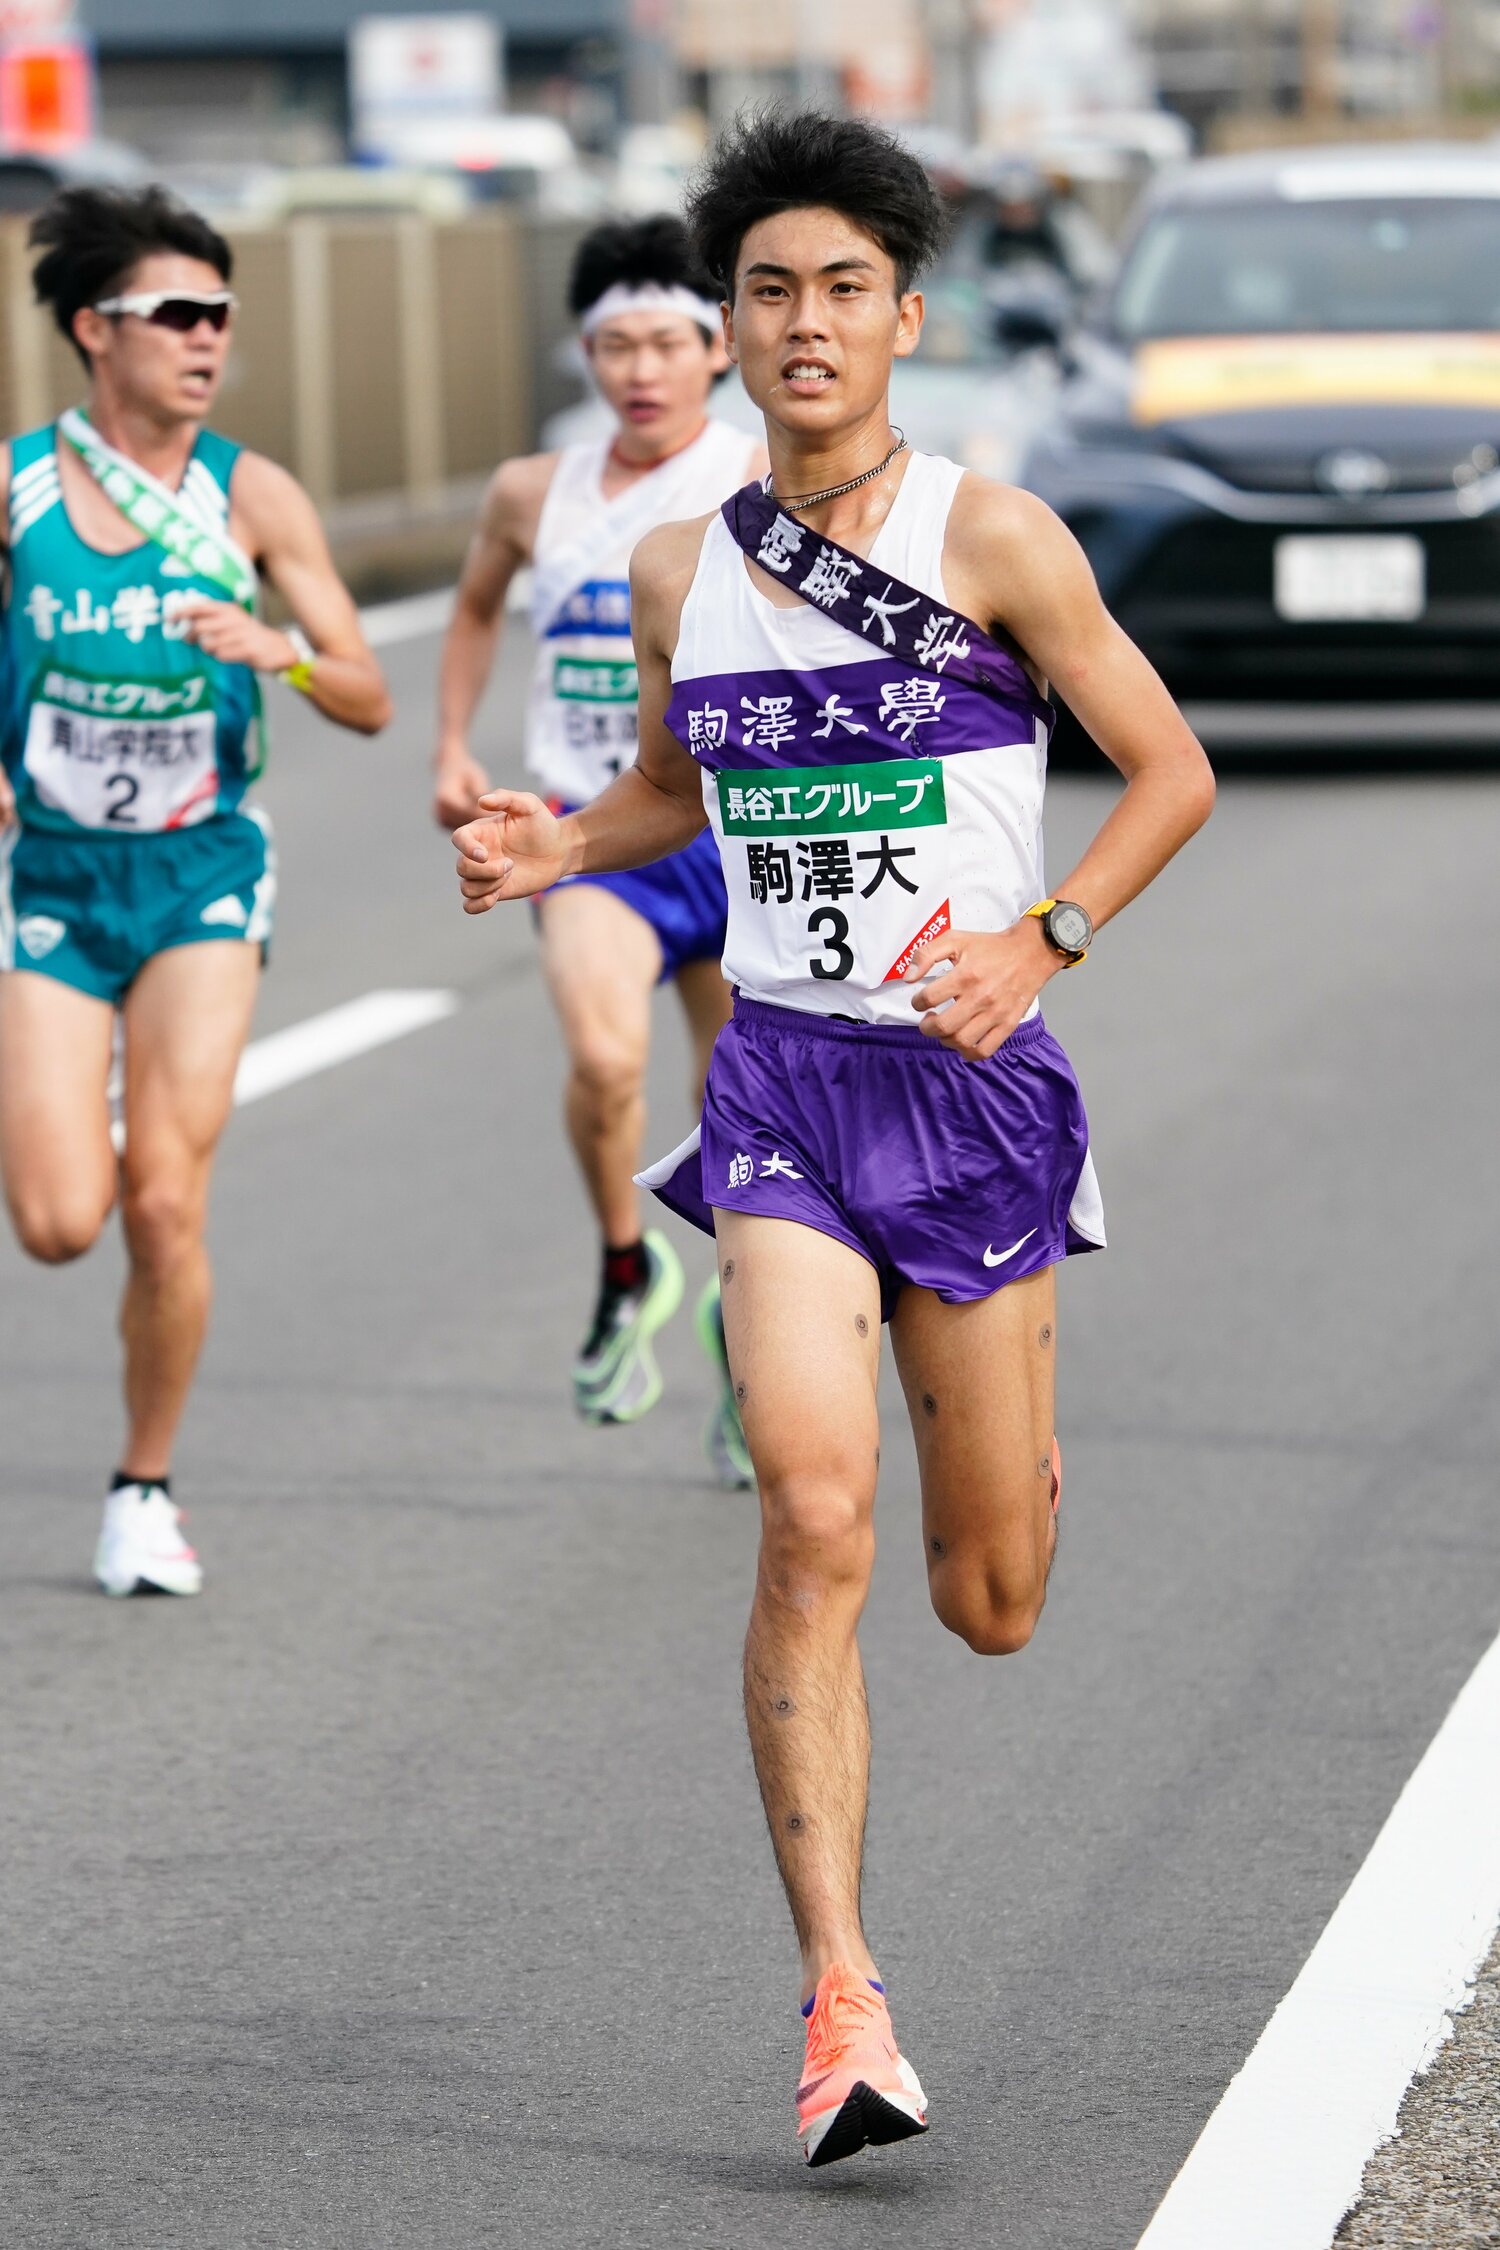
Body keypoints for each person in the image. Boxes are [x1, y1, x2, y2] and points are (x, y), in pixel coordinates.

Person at [453, 111, 1214, 2163]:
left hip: (967, 1095)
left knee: (988, 1599)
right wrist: (553, 845)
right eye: (768, 291)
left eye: (842, 291)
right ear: (730, 322)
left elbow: (1168, 769)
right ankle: (845, 2001)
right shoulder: (683, 562)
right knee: (810, 1514)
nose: (802, 324)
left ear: (904, 316)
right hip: (783, 1084)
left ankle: (1019, 1444)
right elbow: (664, 801)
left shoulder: (996, 540)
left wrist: (1043, 938)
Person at [0, 185, 391, 1598]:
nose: (206, 338)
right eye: (177, 314)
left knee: (164, 1206)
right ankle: (73, 1087)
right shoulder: (20, 487)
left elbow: (367, 693)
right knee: (56, 1220)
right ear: (94, 331)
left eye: (220, 313)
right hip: (51, 876)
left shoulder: (252, 495)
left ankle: (142, 1487)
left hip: (203, 874)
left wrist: (272, 646)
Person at [434, 216, 764, 1479]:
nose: (640, 370)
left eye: (666, 344)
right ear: (586, 353)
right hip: (589, 831)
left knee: (731, 1104)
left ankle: (750, 1324)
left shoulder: (751, 481)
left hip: (729, 833)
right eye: (614, 346)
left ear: (714, 348)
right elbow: (470, 611)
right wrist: (450, 747)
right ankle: (627, 1260)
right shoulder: (535, 490)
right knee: (602, 1059)